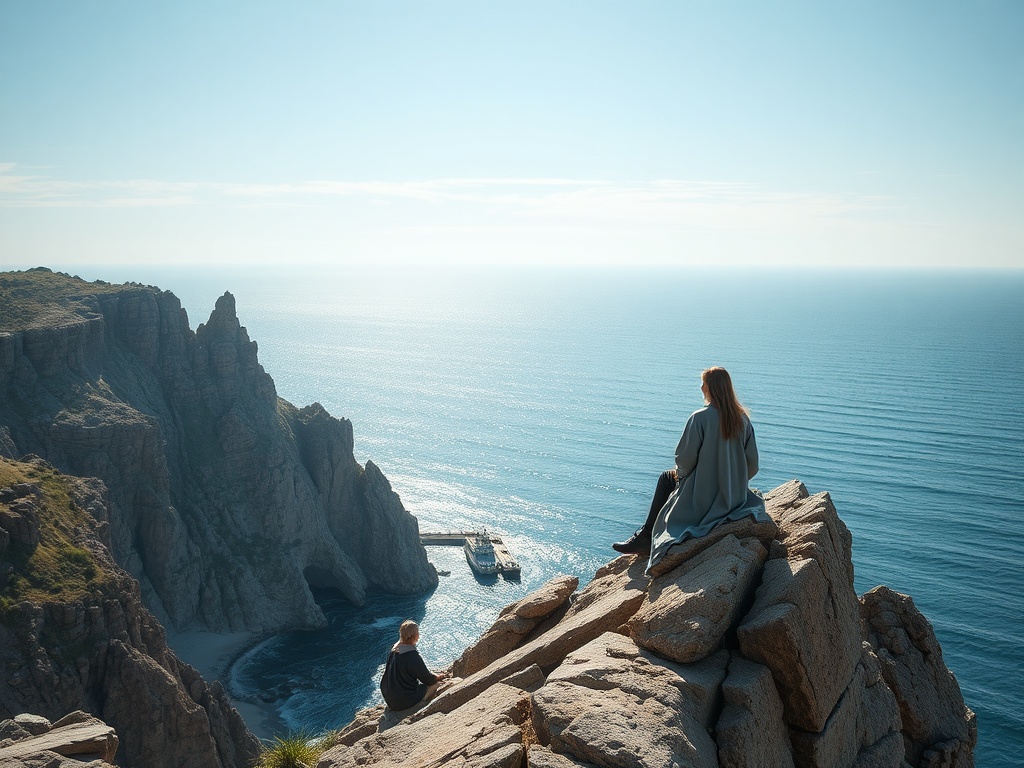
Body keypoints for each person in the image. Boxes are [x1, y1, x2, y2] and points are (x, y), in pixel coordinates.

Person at [612, 366, 767, 570]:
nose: (701, 387)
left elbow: (685, 461)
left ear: (711, 388)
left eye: (703, 383)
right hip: (734, 495)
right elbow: (752, 465)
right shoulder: (742, 419)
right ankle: (644, 536)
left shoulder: (700, 418)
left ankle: (644, 538)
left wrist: (686, 478)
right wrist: (732, 481)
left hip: (704, 496)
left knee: (666, 478)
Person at [379, 620, 449, 711]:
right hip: (403, 700)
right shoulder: (412, 655)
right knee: (435, 685)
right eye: (418, 632)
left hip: (389, 698)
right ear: (415, 635)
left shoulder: (394, 650)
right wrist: (439, 677)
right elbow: (427, 679)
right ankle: (423, 705)